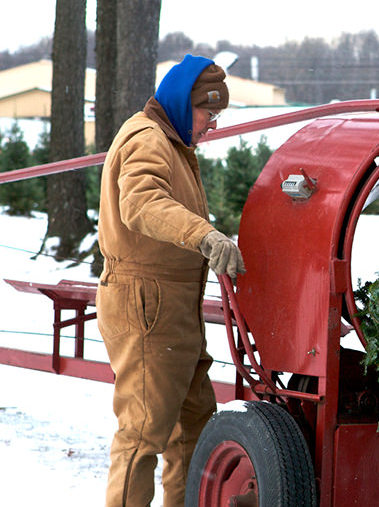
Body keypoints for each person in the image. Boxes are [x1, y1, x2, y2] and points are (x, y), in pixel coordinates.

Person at [96, 54, 246, 507]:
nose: (214, 125)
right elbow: (141, 204)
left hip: (174, 308)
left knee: (194, 430)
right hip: (146, 305)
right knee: (142, 435)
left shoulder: (175, 143)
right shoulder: (148, 139)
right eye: (210, 114)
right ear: (185, 104)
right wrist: (203, 235)